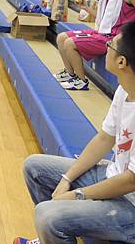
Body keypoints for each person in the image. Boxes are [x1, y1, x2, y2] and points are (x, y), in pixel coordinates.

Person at [14, 20, 135, 244]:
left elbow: (130, 181)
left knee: (47, 216)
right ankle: (51, 237)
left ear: (122, 61)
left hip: (131, 205)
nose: (106, 45)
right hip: (113, 175)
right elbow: (104, 139)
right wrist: (66, 178)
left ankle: (54, 227)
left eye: (111, 44)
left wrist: (77, 195)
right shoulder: (124, 89)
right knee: (34, 168)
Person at [56, 0, 135, 90]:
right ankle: (70, 73)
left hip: (115, 38)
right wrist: (85, 7)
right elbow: (102, 18)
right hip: (103, 33)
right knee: (61, 37)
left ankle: (81, 81)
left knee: (70, 43)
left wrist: (127, 35)